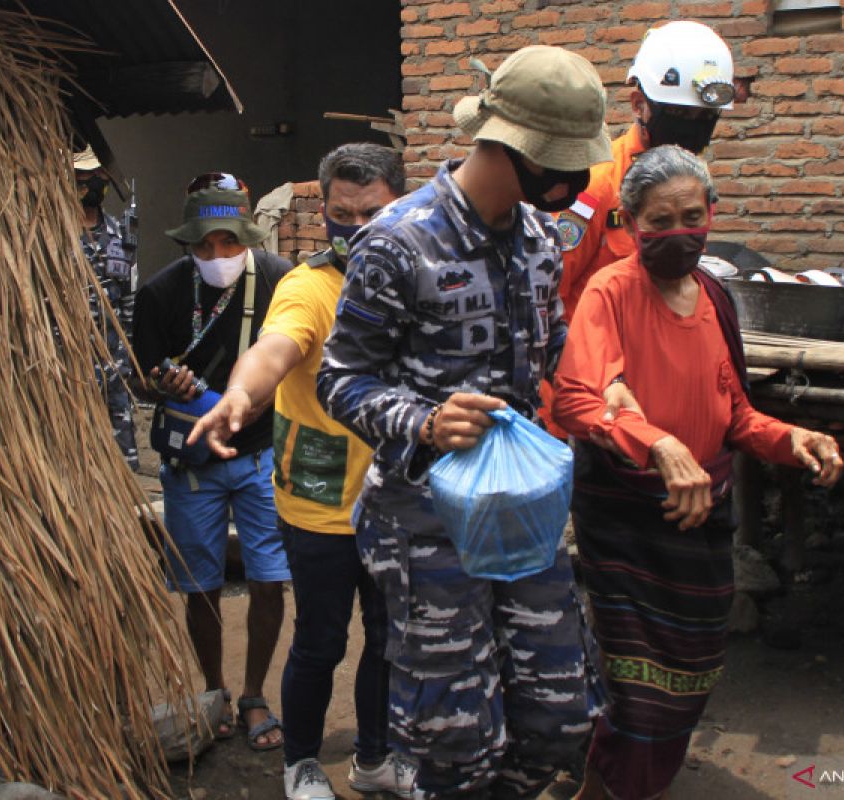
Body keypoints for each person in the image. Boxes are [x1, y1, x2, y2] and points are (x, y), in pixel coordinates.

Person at [316, 45, 612, 798]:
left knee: (558, 714)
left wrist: (602, 387)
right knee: (455, 737)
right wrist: (423, 420)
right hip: (423, 526)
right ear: (514, 145)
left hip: (521, 512)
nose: (572, 181)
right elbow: (340, 379)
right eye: (563, 162)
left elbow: (553, 353)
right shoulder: (397, 240)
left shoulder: (542, 240)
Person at [552, 145, 844, 800]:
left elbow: (735, 414)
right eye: (659, 221)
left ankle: (634, 785)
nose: (678, 233)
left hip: (704, 521)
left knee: (691, 671)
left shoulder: (715, 295)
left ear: (712, 212)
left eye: (691, 215)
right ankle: (602, 791)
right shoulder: (611, 292)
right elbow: (580, 397)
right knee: (633, 679)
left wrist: (791, 437)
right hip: (627, 517)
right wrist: (658, 444)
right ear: (630, 223)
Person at [188, 144, 412, 800]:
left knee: (391, 639)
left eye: (371, 213)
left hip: (397, 497)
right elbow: (274, 348)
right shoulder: (310, 286)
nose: (354, 226)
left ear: (400, 206)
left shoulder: (418, 278)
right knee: (321, 639)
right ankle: (303, 763)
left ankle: (373, 757)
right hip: (322, 504)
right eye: (340, 214)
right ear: (323, 211)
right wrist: (238, 394)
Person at [132, 173, 292, 750]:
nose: (217, 255)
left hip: (261, 456)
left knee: (270, 579)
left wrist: (255, 408)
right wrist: (164, 384)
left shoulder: (279, 282)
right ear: (187, 244)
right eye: (204, 246)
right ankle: (214, 691)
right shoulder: (159, 294)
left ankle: (253, 695)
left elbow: (297, 364)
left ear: (248, 236)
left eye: (229, 243)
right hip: (190, 464)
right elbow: (142, 376)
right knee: (199, 586)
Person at [540, 21, 737, 436]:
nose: (692, 126)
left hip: (659, 396)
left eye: (704, 117)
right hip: (593, 403)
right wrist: (597, 381)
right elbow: (547, 301)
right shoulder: (596, 185)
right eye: (680, 114)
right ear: (638, 105)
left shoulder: (692, 177)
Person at [74, 146, 138, 470]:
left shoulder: (119, 233)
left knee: (122, 461)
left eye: (98, 175)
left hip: (114, 359)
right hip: (72, 358)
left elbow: (128, 297)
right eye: (85, 177)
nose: (94, 182)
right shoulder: (59, 234)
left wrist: (127, 351)